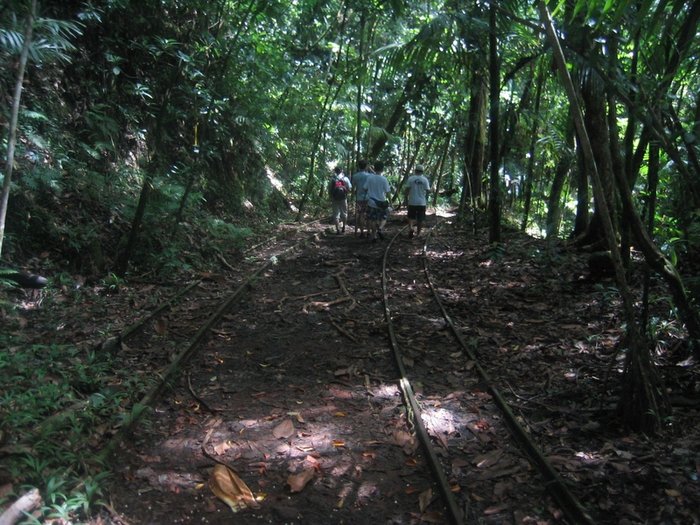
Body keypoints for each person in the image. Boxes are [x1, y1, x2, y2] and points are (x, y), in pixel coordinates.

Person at [362, 160, 392, 242]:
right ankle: (380, 227)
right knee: (384, 217)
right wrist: (391, 202)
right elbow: (388, 192)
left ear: (374, 168)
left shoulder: (370, 178)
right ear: (382, 169)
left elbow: (364, 188)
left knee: (372, 219)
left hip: (371, 202)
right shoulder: (384, 179)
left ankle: (374, 235)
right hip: (381, 202)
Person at [404, 164, 430, 238]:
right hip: (421, 202)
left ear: (415, 171)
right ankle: (418, 234)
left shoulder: (411, 179)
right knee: (420, 219)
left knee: (410, 217)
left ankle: (411, 228)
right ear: (422, 172)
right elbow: (428, 190)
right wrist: (426, 199)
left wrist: (406, 199)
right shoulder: (425, 180)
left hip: (412, 201)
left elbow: (406, 190)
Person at [351, 159, 372, 237]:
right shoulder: (369, 176)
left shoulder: (355, 176)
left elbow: (353, 187)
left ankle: (362, 232)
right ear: (366, 166)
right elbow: (377, 175)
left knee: (361, 215)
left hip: (359, 198)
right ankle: (369, 231)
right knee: (369, 215)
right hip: (369, 198)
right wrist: (370, 169)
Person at [329, 166, 352, 234]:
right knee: (344, 213)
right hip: (343, 198)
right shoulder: (345, 178)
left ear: (335, 171)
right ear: (341, 171)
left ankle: (337, 229)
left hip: (335, 198)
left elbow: (329, 189)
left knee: (336, 214)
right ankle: (344, 227)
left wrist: (331, 196)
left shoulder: (332, 179)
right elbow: (350, 188)